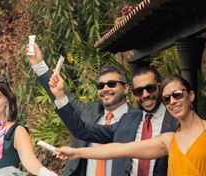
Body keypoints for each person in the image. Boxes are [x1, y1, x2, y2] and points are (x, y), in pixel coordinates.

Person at [53, 76, 206, 176]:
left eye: (178, 95)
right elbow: (121, 149)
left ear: (191, 96)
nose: (172, 101)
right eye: (167, 99)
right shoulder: (169, 140)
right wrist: (76, 152)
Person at [50, 66, 178, 176]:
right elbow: (83, 131)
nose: (145, 95)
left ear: (160, 88)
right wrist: (60, 95)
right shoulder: (129, 120)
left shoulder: (177, 122)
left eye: (150, 88)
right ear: (134, 94)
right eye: (139, 91)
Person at [27, 43, 132, 176]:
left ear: (126, 88)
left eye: (111, 84)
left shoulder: (137, 119)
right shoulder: (88, 112)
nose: (105, 89)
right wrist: (38, 64)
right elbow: (61, 95)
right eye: (100, 85)